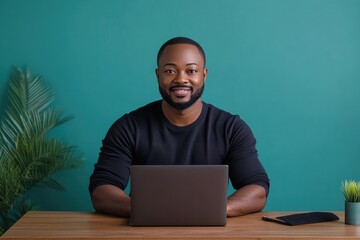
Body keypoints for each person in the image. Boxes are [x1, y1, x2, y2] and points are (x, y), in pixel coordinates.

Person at [89, 37, 270, 218]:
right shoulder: (129, 127)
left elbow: (257, 188)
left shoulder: (231, 128)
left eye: (191, 70)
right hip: (146, 230)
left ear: (204, 75)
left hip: (210, 230)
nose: (181, 79)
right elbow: (102, 190)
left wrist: (217, 209)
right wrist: (147, 210)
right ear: (157, 75)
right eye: (170, 71)